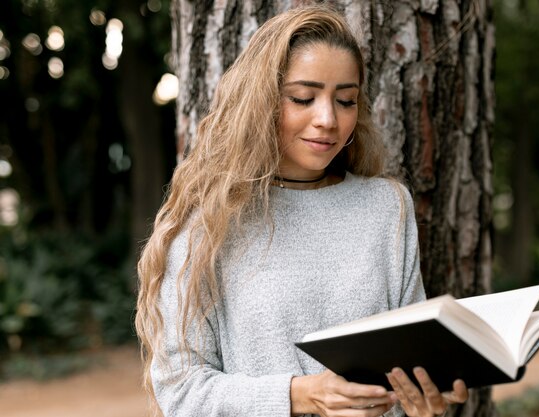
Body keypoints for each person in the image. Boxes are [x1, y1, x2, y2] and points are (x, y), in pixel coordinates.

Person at [135, 5, 468, 417]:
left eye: (345, 100)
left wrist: (423, 401)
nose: (327, 119)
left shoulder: (386, 207)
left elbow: (408, 363)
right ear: (261, 100)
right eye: (303, 98)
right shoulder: (210, 220)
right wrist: (299, 395)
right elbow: (181, 391)